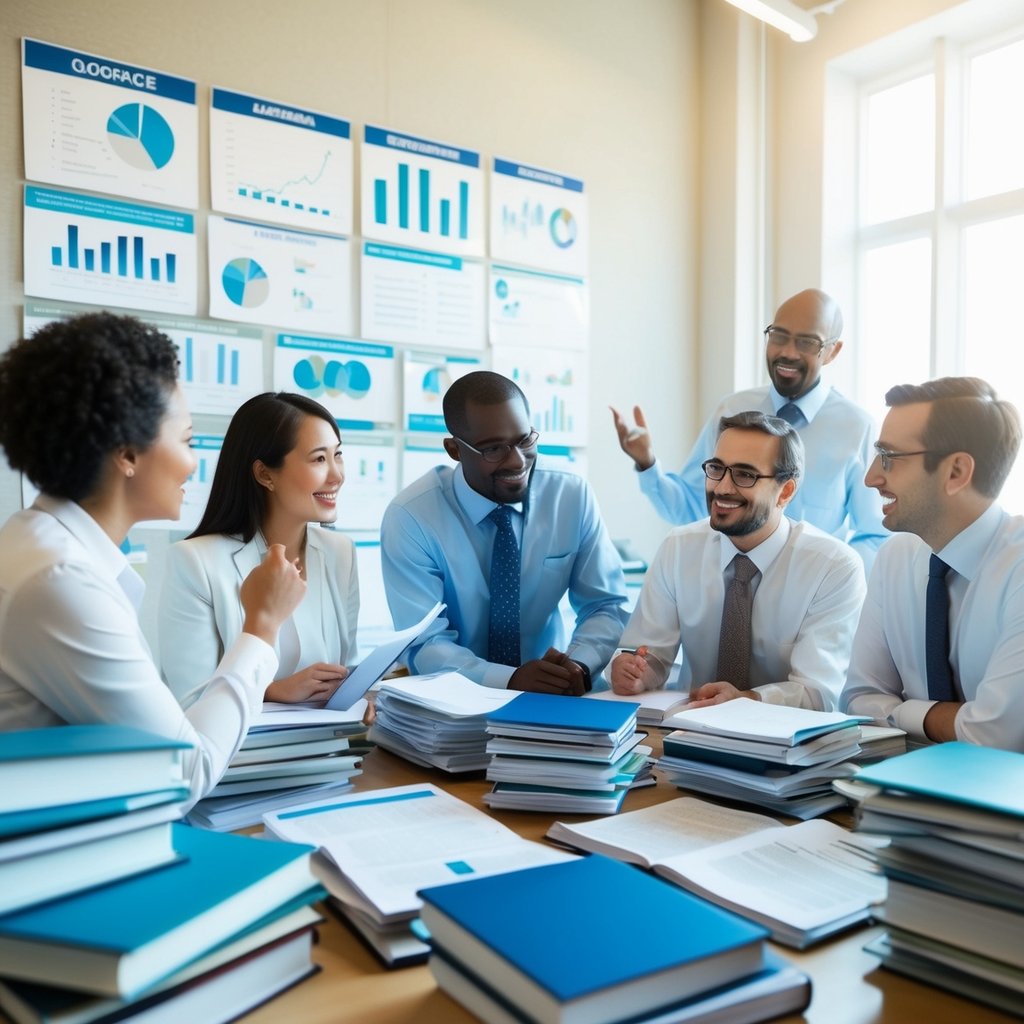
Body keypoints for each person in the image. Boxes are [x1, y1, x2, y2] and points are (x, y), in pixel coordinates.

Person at [0, 313, 304, 808]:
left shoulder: (44, 545)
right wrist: (261, 626)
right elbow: (182, 775)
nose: (192, 460)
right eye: (185, 440)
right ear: (128, 455)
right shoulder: (58, 580)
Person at [380, 370, 629, 693]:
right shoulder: (412, 518)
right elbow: (425, 643)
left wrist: (579, 664)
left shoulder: (569, 495)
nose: (517, 461)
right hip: (452, 702)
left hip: (552, 697)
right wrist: (508, 680)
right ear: (455, 449)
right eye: (493, 449)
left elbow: (605, 604)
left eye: (524, 440)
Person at [610, 289, 887, 571]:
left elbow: (876, 534)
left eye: (806, 342)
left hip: (811, 603)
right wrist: (647, 464)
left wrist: (829, 576)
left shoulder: (856, 427)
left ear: (832, 351)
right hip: (726, 588)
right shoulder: (732, 411)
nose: (787, 352)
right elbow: (691, 508)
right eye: (778, 335)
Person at [610, 411, 865, 710]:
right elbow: (648, 654)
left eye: (745, 475)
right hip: (688, 732)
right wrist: (633, 672)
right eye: (717, 468)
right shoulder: (679, 548)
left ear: (785, 492)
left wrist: (746, 700)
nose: (722, 488)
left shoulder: (833, 567)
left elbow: (818, 694)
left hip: (783, 746)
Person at [840, 377, 1024, 751]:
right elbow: (856, 702)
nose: (872, 477)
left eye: (889, 457)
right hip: (902, 792)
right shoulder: (895, 557)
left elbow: (997, 736)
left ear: (956, 472)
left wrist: (901, 711)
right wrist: (954, 717)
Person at [159, 392, 358, 707]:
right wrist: (272, 691)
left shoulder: (341, 553)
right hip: (243, 754)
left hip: (330, 748)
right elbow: (190, 700)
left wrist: (359, 696)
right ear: (265, 474)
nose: (336, 476)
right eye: (319, 459)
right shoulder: (195, 561)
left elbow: (344, 670)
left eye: (338, 455)